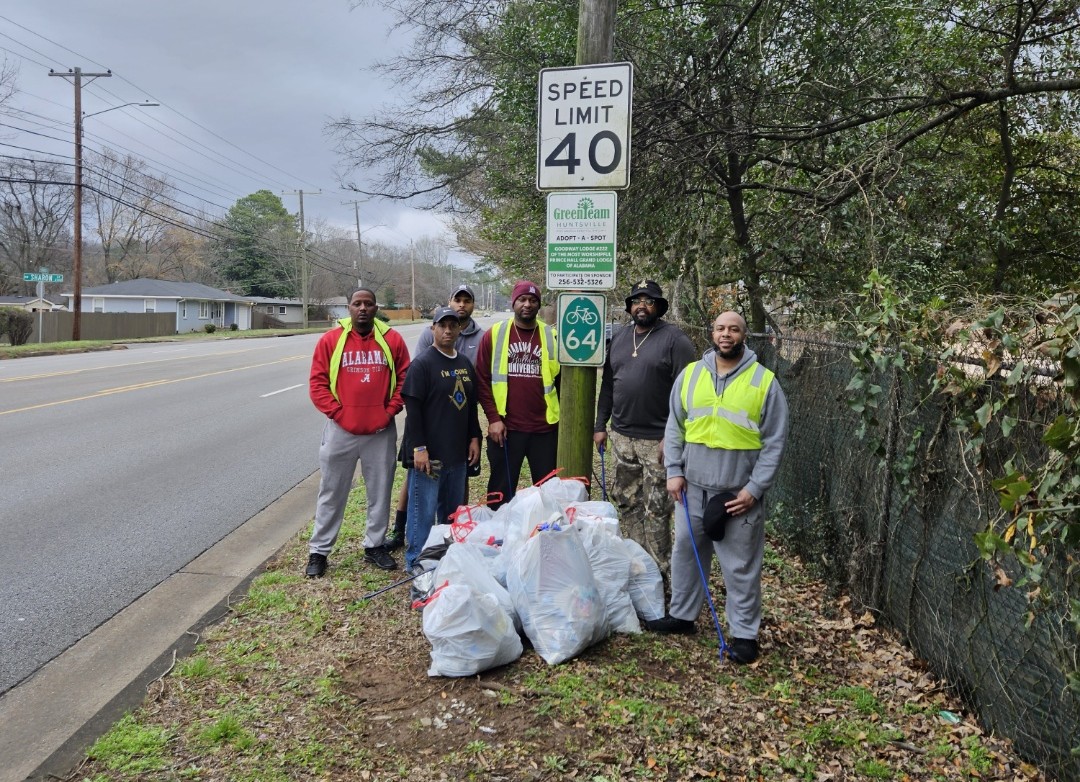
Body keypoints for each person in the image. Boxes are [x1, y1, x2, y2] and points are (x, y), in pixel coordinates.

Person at [648, 310, 789, 666]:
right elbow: (675, 428)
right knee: (686, 550)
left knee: (740, 565)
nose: (726, 334)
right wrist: (674, 472)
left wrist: (754, 489)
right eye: (721, 328)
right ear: (712, 333)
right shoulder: (691, 375)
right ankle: (682, 616)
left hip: (737, 495)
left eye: (735, 329)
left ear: (745, 335)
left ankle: (744, 635)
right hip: (691, 488)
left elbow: (775, 441)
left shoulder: (764, 382)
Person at [593, 280, 696, 581]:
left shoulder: (675, 341)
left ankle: (661, 575)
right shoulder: (621, 338)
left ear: (658, 307)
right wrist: (600, 425)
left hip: (658, 441)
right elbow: (609, 386)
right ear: (629, 307)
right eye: (636, 300)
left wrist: (673, 435)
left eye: (649, 301)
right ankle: (637, 566)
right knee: (626, 501)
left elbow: (687, 394)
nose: (642, 305)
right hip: (622, 436)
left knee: (657, 510)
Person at [305, 288, 411, 577]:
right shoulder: (331, 340)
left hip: (380, 431)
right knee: (331, 490)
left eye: (368, 304)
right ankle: (319, 551)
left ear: (376, 308)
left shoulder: (392, 340)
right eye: (357, 304)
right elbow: (317, 383)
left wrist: (389, 411)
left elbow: (405, 377)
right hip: (341, 430)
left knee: (380, 490)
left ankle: (374, 545)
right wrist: (339, 414)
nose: (362, 308)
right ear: (348, 308)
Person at [387, 283, 486, 549]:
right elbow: (414, 412)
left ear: (459, 329)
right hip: (429, 456)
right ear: (433, 329)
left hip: (457, 454)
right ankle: (417, 562)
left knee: (451, 515)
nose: (448, 330)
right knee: (422, 515)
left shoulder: (464, 364)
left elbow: (470, 406)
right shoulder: (423, 364)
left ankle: (447, 557)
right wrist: (419, 448)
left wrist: (475, 437)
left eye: (453, 326)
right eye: (442, 326)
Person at [475, 280, 559, 509]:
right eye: (522, 299)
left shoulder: (550, 336)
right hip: (506, 429)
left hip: (544, 429)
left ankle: (540, 541)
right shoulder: (495, 334)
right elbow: (481, 379)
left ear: (538, 305)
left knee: (546, 496)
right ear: (514, 302)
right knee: (500, 494)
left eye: (533, 300)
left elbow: (559, 381)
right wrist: (493, 418)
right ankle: (498, 539)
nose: (527, 304)